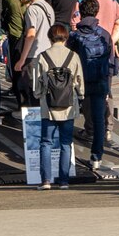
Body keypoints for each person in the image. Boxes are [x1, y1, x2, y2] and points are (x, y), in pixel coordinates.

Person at [28, 22, 85, 189]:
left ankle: (46, 180)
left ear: (50, 38)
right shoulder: (73, 56)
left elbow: (36, 85)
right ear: (65, 37)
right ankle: (64, 181)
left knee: (46, 142)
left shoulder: (42, 56)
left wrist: (39, 95)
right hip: (68, 105)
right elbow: (79, 81)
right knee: (66, 143)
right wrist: (80, 95)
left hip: (48, 105)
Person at [69, 0, 117, 173]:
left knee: (67, 118)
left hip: (78, 82)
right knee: (98, 121)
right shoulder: (104, 34)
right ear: (97, 12)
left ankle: (66, 154)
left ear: (80, 13)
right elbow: (111, 61)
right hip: (99, 81)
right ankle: (96, 156)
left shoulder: (74, 35)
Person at [14, 0, 55, 106]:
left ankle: (34, 123)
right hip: (48, 54)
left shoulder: (32, 9)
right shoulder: (48, 7)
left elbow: (31, 34)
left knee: (32, 93)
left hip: (34, 55)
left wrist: (22, 59)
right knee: (43, 91)